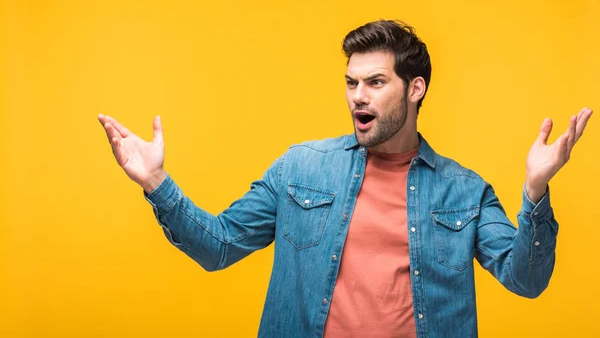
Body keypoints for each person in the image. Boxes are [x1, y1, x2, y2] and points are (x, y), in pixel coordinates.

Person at [98, 20, 592, 338]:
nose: (358, 95)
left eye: (376, 83)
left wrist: (535, 191)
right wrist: (157, 183)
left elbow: (525, 280)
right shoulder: (300, 168)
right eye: (351, 82)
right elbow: (220, 246)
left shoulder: (464, 191)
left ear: (415, 89)